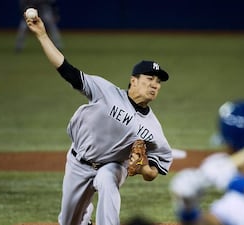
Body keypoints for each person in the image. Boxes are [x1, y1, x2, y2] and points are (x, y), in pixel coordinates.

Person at [24, 14, 173, 225]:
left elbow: (153, 172)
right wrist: (42, 35)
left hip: (112, 166)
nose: (155, 84)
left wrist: (142, 169)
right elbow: (67, 70)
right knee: (68, 222)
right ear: (133, 80)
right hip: (78, 162)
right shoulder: (105, 91)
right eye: (150, 79)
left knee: (106, 179)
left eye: (158, 82)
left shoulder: (153, 129)